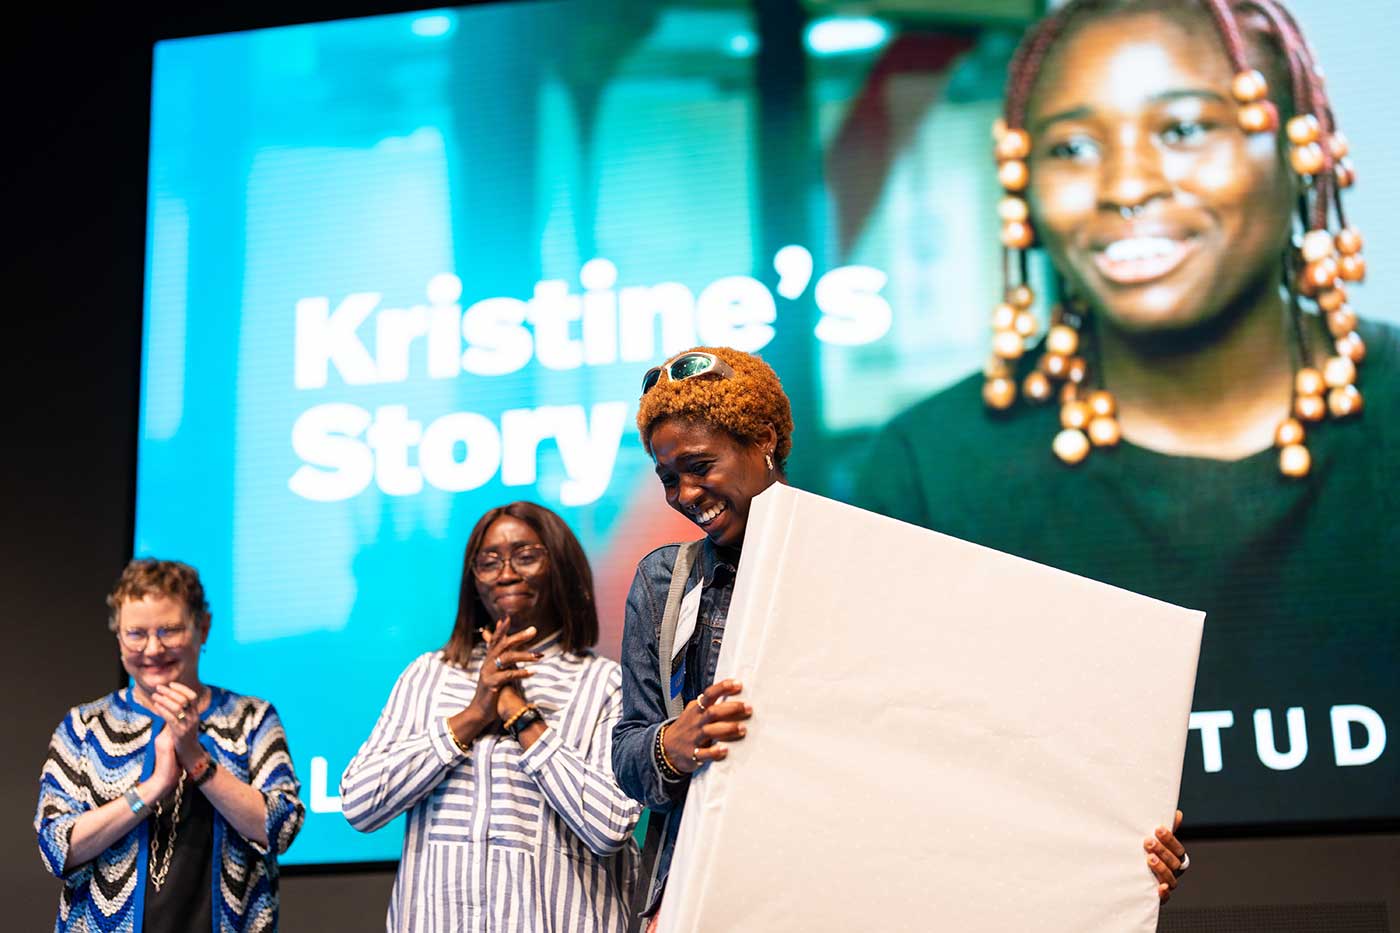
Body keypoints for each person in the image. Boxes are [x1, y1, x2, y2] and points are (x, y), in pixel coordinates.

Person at [854, 0, 1398, 823]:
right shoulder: (931, 481)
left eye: (1183, 130)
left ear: (1303, 146)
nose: (1128, 185)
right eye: (1072, 147)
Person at [612, 347, 1191, 931]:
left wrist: (1121, 860)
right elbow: (628, 751)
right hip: (708, 893)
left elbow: (973, 741)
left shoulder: (872, 560)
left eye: (700, 466)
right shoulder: (664, 583)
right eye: (668, 478)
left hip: (853, 891)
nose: (685, 494)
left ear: (762, 439)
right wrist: (672, 745)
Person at [340, 501, 640, 932]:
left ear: (562, 566)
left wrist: (521, 716)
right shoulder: (430, 675)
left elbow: (609, 824)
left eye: (525, 555)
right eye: (489, 562)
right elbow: (360, 803)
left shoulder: (604, 683)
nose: (505, 573)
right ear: (473, 580)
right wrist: (473, 715)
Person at [35, 558, 304, 932]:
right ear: (118, 637)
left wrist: (196, 758)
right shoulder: (84, 727)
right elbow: (55, 847)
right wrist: (152, 788)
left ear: (203, 628)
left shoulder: (251, 719)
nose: (152, 648)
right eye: (136, 633)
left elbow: (281, 827)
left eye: (170, 630)